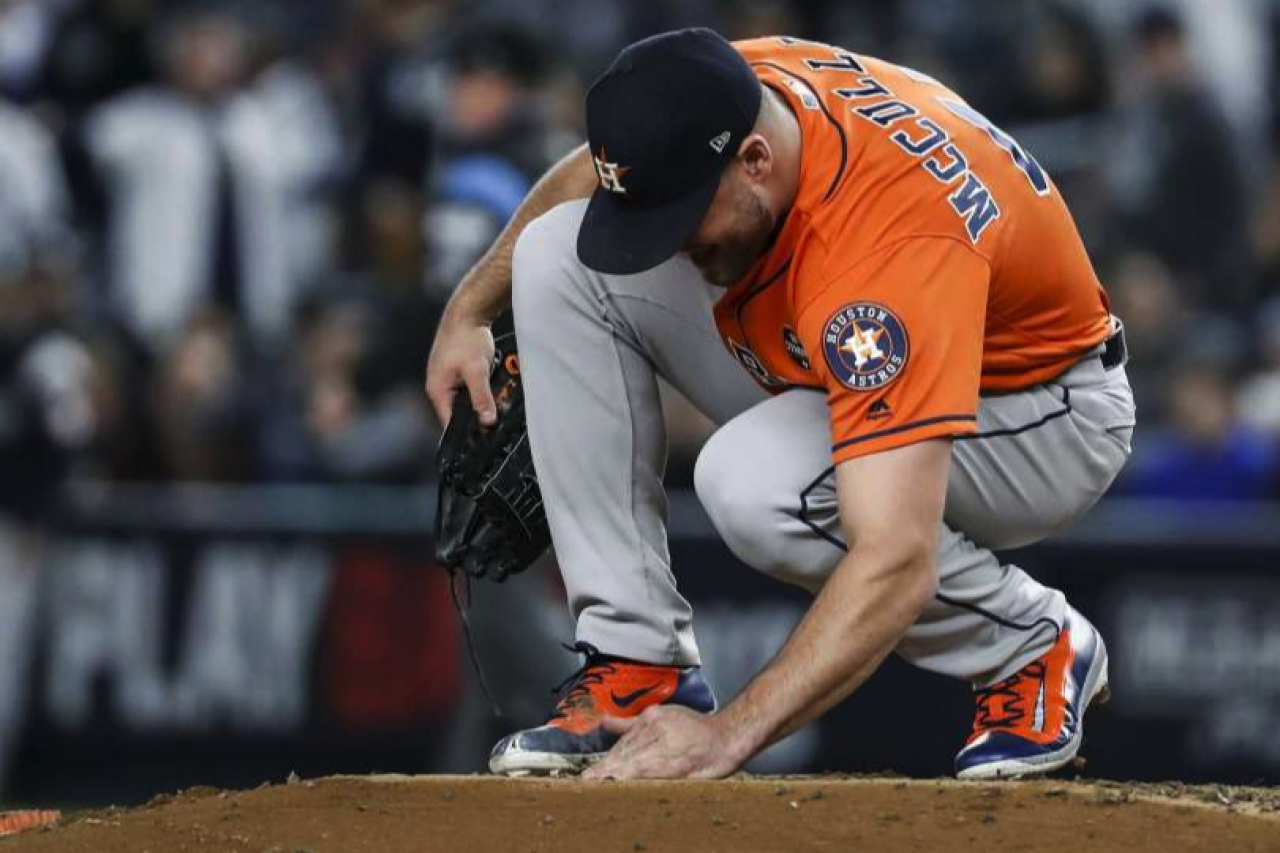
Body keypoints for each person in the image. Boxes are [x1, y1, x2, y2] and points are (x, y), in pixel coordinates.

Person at [424, 29, 1136, 780]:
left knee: (754, 485)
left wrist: (727, 736)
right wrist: (468, 306)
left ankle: (1030, 640)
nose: (664, 242)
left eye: (682, 217)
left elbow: (895, 556)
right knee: (555, 254)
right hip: (831, 323)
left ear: (756, 161)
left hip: (1042, 413)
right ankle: (635, 664)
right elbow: (605, 173)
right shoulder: (742, 85)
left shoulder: (885, 253)